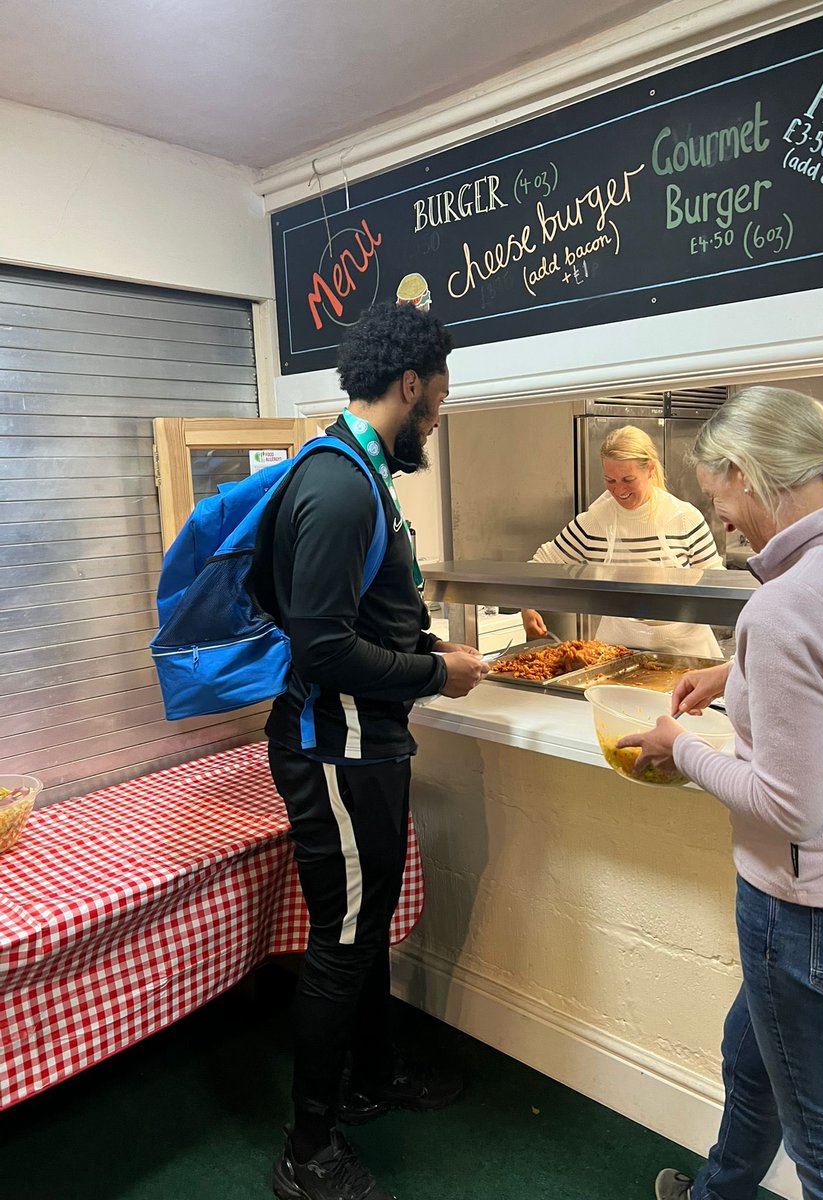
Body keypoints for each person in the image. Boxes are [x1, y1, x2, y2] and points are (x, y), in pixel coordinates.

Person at [616, 386, 823, 1200]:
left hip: (805, 915)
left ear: (745, 473)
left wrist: (684, 750)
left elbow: (788, 806)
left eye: (718, 495)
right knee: (752, 1061)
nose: (721, 517)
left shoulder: (786, 605)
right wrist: (734, 675)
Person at [249, 302, 488, 1200]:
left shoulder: (351, 469)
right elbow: (322, 648)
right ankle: (306, 1150)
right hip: (334, 754)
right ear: (411, 384)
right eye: (440, 397)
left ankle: (374, 1075)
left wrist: (417, 667)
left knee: (365, 924)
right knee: (344, 940)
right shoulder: (343, 484)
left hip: (363, 746)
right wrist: (435, 671)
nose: (439, 415)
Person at [521, 425, 725, 658]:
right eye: (611, 480)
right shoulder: (593, 523)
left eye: (628, 479)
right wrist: (526, 606)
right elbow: (540, 564)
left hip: (687, 656)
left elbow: (716, 581)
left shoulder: (684, 519)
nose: (619, 490)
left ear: (649, 469)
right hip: (617, 654)